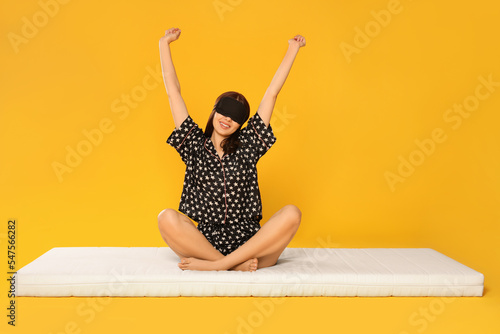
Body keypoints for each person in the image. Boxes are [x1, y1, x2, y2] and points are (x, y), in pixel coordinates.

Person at [157, 27, 305, 272]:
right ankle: (228, 265)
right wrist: (164, 44)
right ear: (215, 112)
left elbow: (272, 93)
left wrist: (292, 49)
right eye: (224, 112)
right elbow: (173, 93)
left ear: (241, 123)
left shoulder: (249, 146)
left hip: (252, 247)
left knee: (292, 213)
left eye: (235, 117)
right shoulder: (194, 144)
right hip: (204, 245)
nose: (227, 119)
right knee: (165, 217)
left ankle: (221, 265)